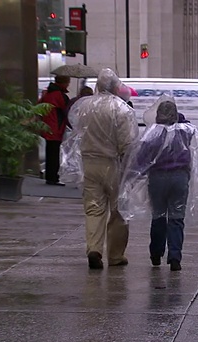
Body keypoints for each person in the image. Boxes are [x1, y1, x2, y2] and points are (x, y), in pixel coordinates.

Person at [124, 98, 198, 271]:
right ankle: (175, 256)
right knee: (177, 217)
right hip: (179, 178)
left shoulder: (153, 133)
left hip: (158, 178)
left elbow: (141, 159)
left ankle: (156, 252)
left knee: (158, 215)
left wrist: (131, 177)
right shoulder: (186, 131)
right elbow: (188, 130)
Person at [76, 68, 138, 269]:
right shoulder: (121, 109)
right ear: (116, 87)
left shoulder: (84, 107)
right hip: (114, 164)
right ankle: (115, 254)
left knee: (94, 208)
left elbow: (76, 133)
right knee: (119, 210)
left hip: (89, 163)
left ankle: (94, 248)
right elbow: (127, 142)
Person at [39, 75, 71, 186]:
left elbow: (40, 106)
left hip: (47, 126)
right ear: (63, 83)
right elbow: (66, 110)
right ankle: (53, 178)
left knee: (50, 152)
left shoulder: (48, 93)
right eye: (67, 82)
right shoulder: (59, 95)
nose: (68, 84)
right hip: (56, 127)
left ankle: (50, 176)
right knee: (54, 153)